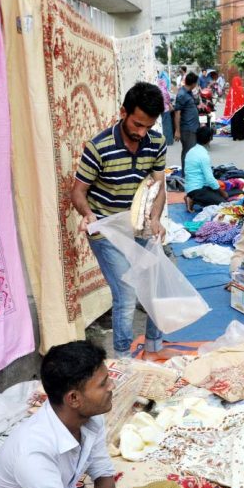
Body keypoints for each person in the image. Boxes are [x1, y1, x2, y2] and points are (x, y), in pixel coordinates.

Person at [0, 341, 185, 488]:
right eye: (102, 384)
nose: (112, 386)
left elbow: (103, 476)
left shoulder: (91, 418)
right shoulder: (32, 453)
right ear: (73, 399)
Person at [72, 82, 174, 360]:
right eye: (137, 125)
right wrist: (88, 215)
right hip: (105, 227)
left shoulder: (156, 143)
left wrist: (155, 219)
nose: (142, 133)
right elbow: (78, 192)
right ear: (123, 112)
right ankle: (122, 359)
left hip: (137, 223)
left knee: (154, 282)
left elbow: (158, 186)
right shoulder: (98, 147)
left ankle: (154, 348)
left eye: (148, 127)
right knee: (127, 292)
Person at [183, 126, 228, 212]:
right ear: (210, 139)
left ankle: (191, 198)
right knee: (223, 204)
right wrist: (223, 192)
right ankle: (193, 199)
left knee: (217, 192)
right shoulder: (203, 155)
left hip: (191, 188)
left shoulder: (191, 151)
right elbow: (209, 179)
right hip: (198, 190)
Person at [174, 71, 200, 168]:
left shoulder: (188, 93)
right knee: (188, 153)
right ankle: (186, 175)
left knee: (191, 152)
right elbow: (177, 113)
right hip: (187, 129)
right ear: (193, 84)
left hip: (192, 128)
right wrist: (177, 131)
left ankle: (190, 173)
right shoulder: (182, 94)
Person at [224, 75, 244, 141]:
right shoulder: (241, 89)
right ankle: (241, 136)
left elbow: (228, 101)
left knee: (234, 122)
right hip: (241, 109)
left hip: (233, 111)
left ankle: (234, 136)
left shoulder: (231, 90)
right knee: (241, 122)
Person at [157, 70, 174, 145]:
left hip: (160, 108)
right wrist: (170, 105)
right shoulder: (164, 90)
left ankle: (164, 140)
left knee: (164, 124)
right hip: (166, 109)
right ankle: (169, 141)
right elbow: (167, 99)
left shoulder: (158, 89)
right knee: (168, 125)